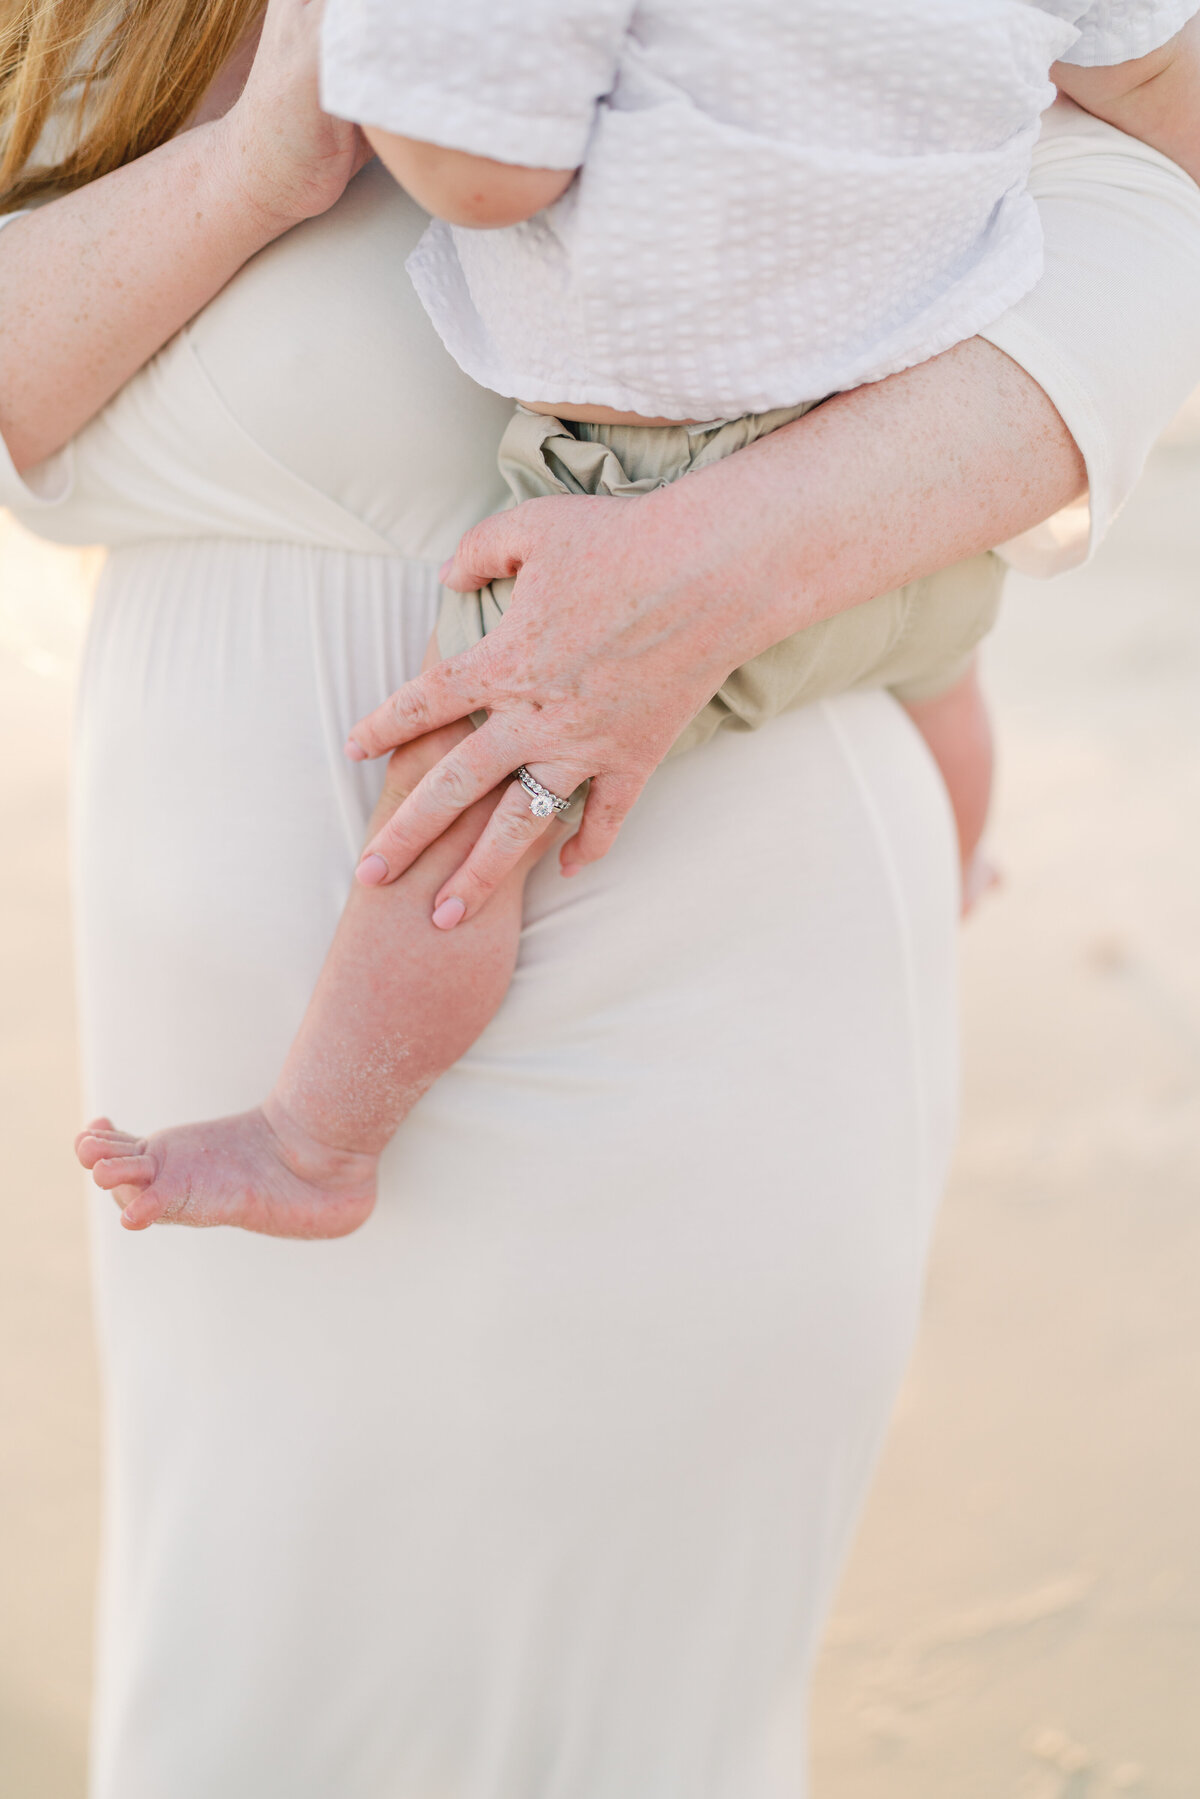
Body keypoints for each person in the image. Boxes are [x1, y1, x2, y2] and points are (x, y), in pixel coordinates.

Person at [3, 3, 1200, 1794]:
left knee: (609, 1729)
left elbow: (1156, 222)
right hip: (220, 1000)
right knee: (249, 1688)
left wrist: (706, 574)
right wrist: (254, 163)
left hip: (675, 916)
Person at [74, 0, 1200, 1238]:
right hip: (917, 441)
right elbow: (1157, 83)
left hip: (650, 469)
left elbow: (488, 181)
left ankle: (318, 1142)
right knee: (939, 676)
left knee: (452, 820)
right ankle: (954, 874)